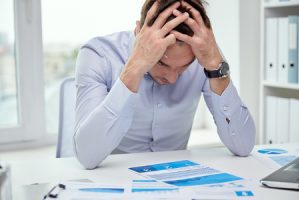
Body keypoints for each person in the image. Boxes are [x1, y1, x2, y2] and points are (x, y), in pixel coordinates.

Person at [74, 0, 256, 169]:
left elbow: (243, 146)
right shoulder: (99, 54)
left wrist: (216, 67)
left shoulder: (204, 56)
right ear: (139, 32)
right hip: (115, 178)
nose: (172, 79)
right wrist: (135, 67)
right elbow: (87, 156)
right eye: (161, 63)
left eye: (185, 66)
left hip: (177, 180)